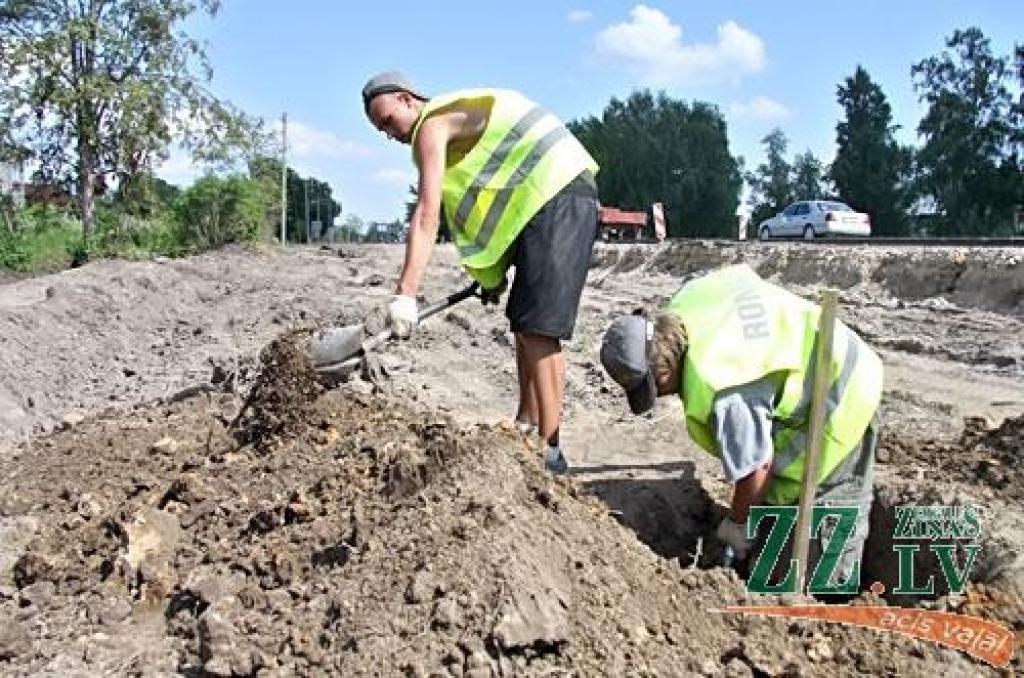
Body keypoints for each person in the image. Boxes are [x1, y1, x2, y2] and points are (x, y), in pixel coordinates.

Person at [361, 71, 601, 474]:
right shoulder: (454, 133)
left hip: (557, 192)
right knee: (523, 323)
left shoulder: (432, 124)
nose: (389, 133)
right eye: (380, 130)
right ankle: (526, 424)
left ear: (406, 99)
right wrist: (491, 279)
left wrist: (405, 294)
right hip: (539, 202)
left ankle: (552, 451)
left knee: (540, 329)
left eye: (387, 121)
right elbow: (493, 207)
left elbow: (427, 214)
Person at [599, 264, 883, 588]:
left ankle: (834, 603)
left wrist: (736, 524)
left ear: (663, 374)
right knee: (773, 535)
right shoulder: (691, 299)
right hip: (805, 365)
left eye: (654, 389)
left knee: (819, 564)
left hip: (841, 394)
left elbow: (754, 468)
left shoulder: (724, 385)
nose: (662, 395)